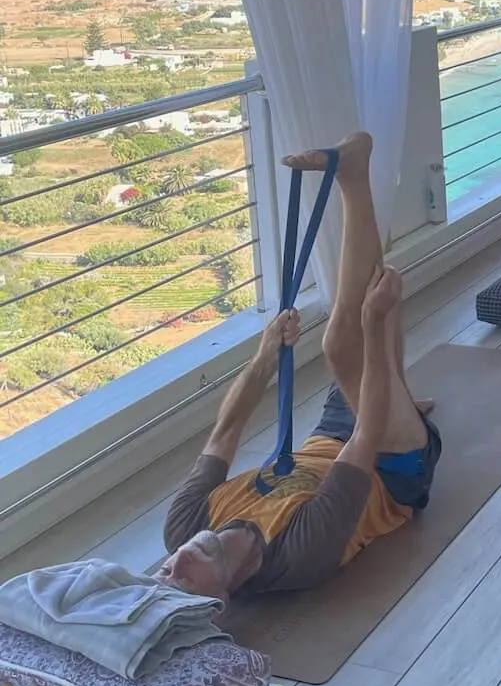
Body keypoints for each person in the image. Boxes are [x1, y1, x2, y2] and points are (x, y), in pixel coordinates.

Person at [158, 132, 441, 599]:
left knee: (364, 355)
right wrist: (374, 325)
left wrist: (266, 353)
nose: (180, 560)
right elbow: (366, 441)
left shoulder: (184, 527)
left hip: (327, 437)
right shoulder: (296, 556)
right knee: (345, 343)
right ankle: (353, 177)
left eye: (164, 571)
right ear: (220, 605)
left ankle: (355, 171)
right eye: (184, 580)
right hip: (395, 469)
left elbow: (224, 433)